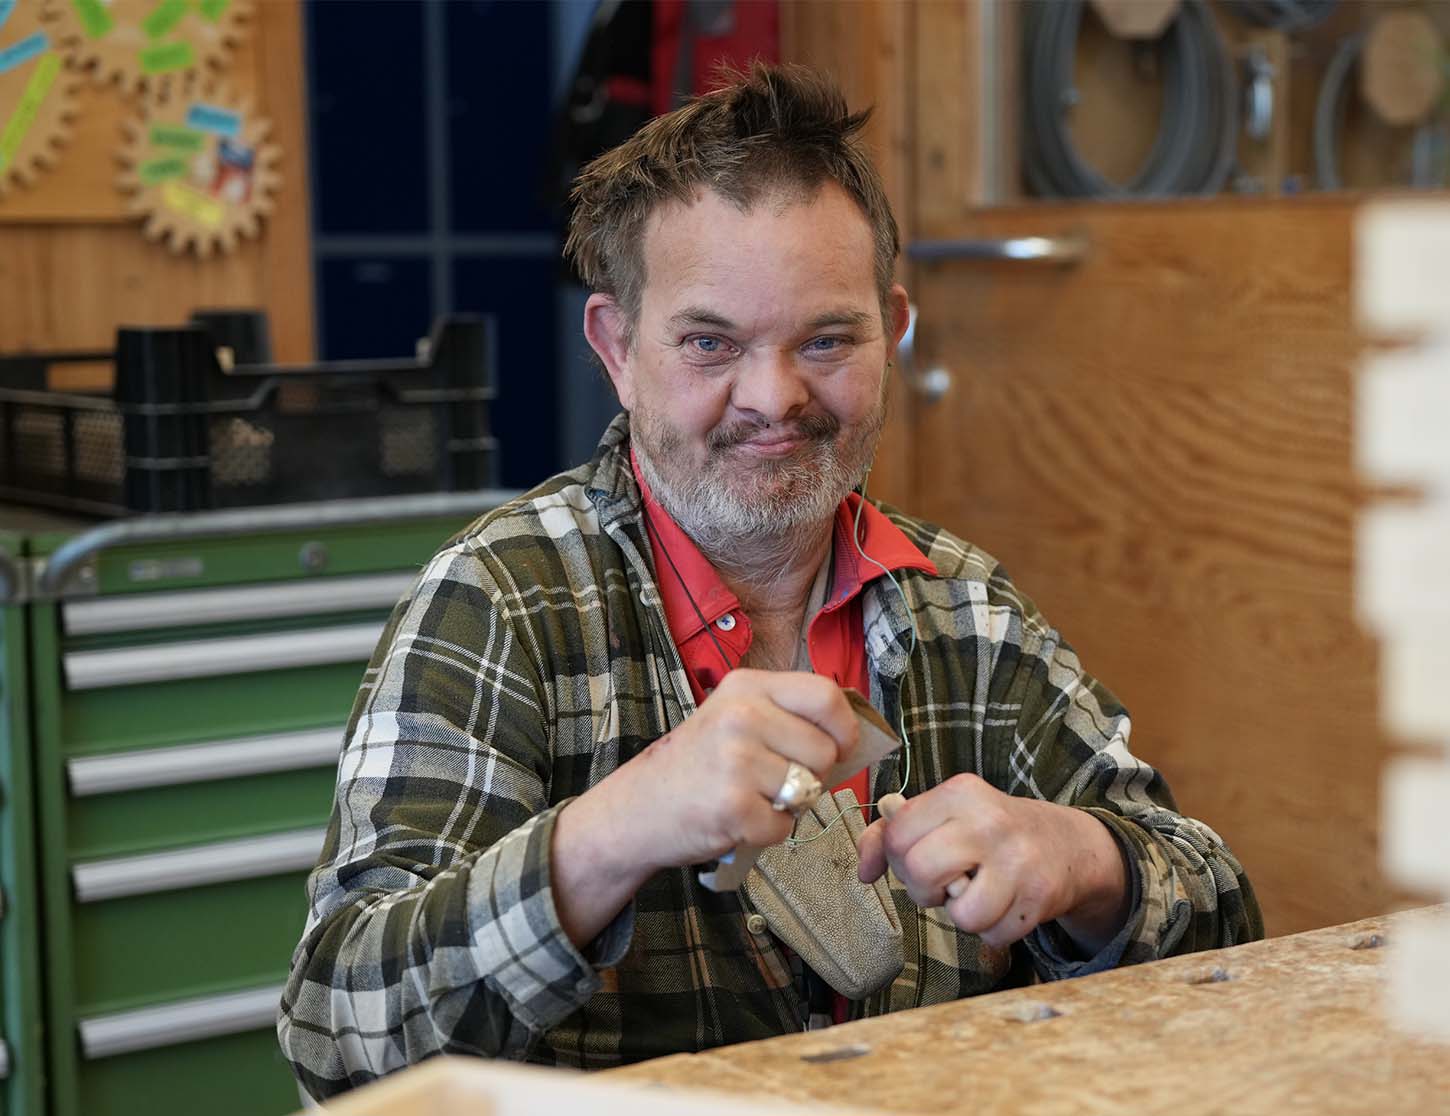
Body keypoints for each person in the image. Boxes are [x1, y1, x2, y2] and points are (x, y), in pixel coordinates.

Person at [278, 62, 1262, 1100]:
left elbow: (1226, 924)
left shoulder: (963, 608)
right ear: (615, 348)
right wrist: (607, 836)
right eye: (709, 343)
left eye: (827, 340)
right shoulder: (498, 602)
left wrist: (1085, 860)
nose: (774, 396)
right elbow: (338, 1036)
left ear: (891, 327)